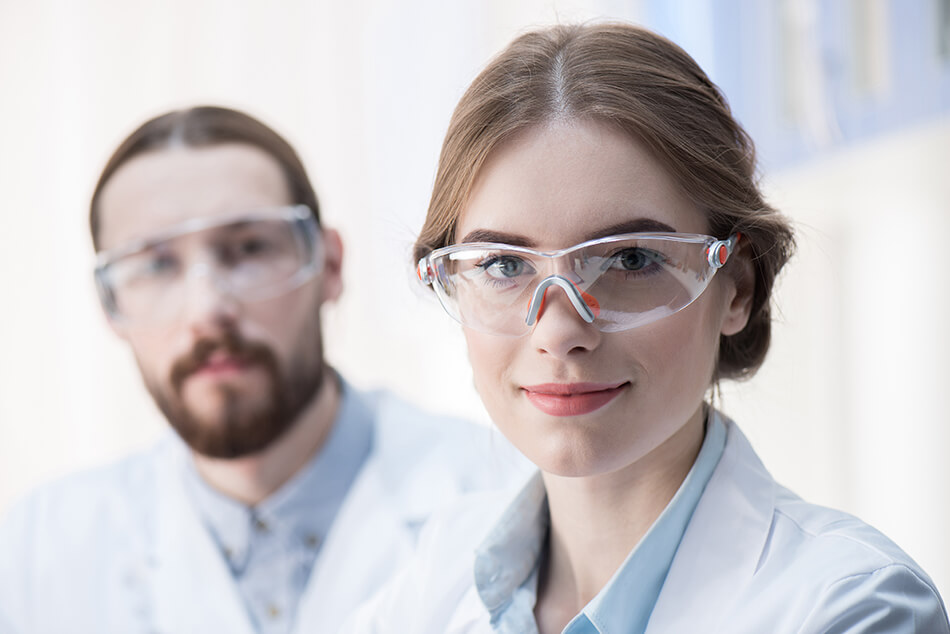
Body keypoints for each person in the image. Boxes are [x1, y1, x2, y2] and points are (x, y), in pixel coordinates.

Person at [342, 23, 950, 633]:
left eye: (630, 259)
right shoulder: (434, 581)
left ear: (735, 285)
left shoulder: (853, 608)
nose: (559, 332)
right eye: (504, 265)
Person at [0, 106, 527, 634]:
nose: (207, 311)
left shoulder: (508, 500)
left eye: (249, 248)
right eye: (157, 264)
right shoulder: (40, 552)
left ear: (329, 266)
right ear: (110, 307)